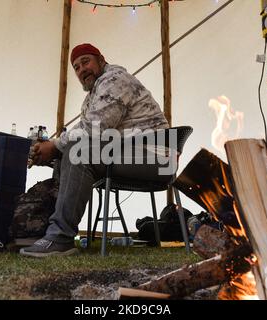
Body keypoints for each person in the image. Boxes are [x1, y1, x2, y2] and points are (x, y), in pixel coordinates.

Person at [20, 43, 170, 257]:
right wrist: (53, 153)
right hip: (132, 153)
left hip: (156, 158)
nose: (82, 69)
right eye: (76, 67)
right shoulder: (93, 94)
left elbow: (94, 128)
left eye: (85, 62)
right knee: (70, 152)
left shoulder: (115, 79)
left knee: (77, 151)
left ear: (101, 59)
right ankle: (45, 231)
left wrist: (54, 146)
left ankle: (60, 236)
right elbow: (87, 131)